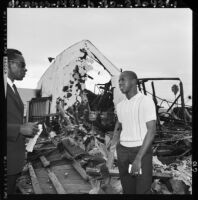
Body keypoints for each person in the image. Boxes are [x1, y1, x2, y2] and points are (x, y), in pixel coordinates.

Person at [110, 71, 156, 194]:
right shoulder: (120, 106)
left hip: (140, 151)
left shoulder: (146, 101)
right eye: (119, 80)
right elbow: (119, 127)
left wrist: (138, 159)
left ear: (134, 81)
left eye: (123, 79)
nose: (120, 83)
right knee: (128, 188)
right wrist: (113, 148)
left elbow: (151, 131)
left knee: (142, 189)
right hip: (123, 152)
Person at [7, 49, 39, 194]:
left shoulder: (12, 87)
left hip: (14, 159)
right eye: (22, 65)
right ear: (9, 64)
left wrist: (27, 129)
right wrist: (19, 129)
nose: (25, 69)